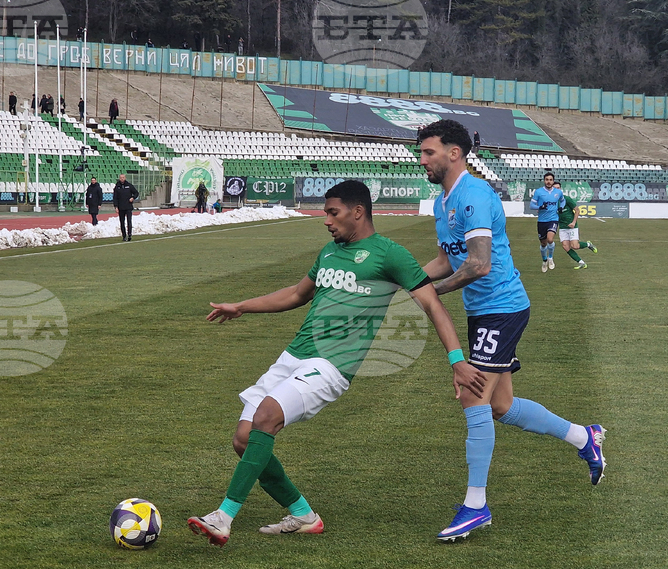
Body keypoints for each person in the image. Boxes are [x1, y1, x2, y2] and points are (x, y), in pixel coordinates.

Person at [187, 179, 485, 547]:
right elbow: (297, 294)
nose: (326, 220)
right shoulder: (329, 252)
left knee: (266, 417)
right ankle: (303, 515)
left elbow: (433, 306)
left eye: (333, 212)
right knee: (244, 440)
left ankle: (223, 516)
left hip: (332, 365)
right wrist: (241, 306)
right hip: (294, 354)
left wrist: (457, 360)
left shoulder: (390, 254)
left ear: (357, 212)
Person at [417, 119, 606, 543]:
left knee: (472, 394)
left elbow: (479, 263)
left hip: (502, 307)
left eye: (429, 152)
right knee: (500, 405)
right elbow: (449, 259)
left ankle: (476, 505)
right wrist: (410, 281)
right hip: (483, 312)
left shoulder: (475, 196)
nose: (422, 159)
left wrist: (434, 294)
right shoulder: (442, 201)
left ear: (454, 153)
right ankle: (584, 437)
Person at [553, 181, 597, 269]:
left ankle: (588, 244)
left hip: (571, 226)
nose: (557, 190)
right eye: (555, 188)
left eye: (558, 188)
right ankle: (581, 263)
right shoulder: (552, 201)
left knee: (575, 246)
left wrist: (573, 222)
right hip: (562, 227)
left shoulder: (566, 199)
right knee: (566, 246)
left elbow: (577, 210)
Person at [529, 172, 563, 272]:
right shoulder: (539, 192)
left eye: (550, 180)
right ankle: (544, 261)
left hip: (553, 219)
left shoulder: (558, 192)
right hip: (541, 221)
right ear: (544, 181)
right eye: (547, 180)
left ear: (553, 181)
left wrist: (561, 207)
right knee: (543, 244)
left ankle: (550, 258)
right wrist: (540, 207)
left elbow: (563, 200)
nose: (549, 182)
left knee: (550, 239)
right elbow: (531, 205)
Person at [113, 173, 138, 241]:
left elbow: (136, 193)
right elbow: (115, 198)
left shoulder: (129, 185)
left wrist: (133, 198)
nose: (122, 179)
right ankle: (124, 236)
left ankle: (129, 234)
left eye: (123, 177)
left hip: (128, 206)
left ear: (125, 178)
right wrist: (116, 207)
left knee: (129, 221)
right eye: (121, 177)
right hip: (121, 207)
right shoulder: (117, 187)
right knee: (122, 222)